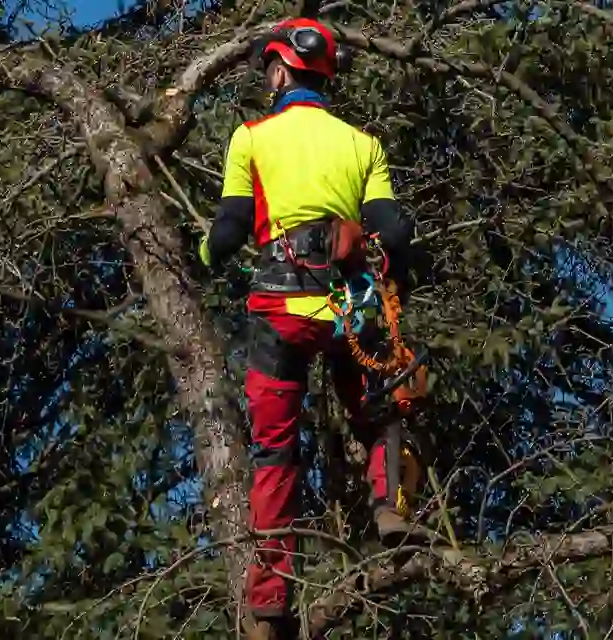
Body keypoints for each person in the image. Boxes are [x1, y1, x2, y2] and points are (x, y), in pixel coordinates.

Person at [196, 17, 432, 637]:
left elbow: (228, 232)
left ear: (279, 71)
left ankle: (271, 602)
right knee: (379, 412)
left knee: (275, 451)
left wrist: (200, 255)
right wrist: (395, 272)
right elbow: (395, 231)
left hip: (278, 312)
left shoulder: (252, 136)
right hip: (348, 311)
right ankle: (389, 507)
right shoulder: (362, 144)